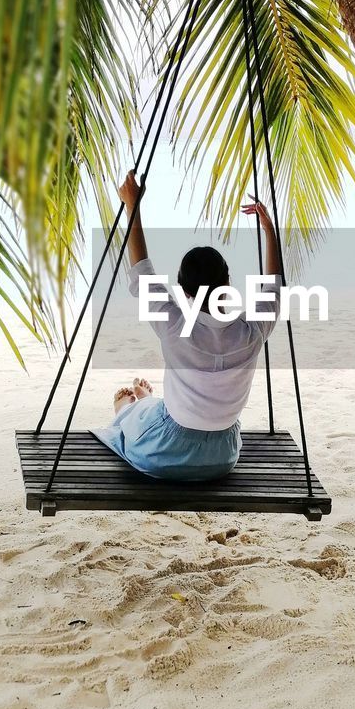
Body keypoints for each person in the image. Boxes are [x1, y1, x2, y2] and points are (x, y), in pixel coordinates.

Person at [90, 172, 280, 481]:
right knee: (159, 411)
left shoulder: (175, 324)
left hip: (167, 452)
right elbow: (274, 289)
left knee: (132, 422)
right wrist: (269, 230)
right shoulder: (252, 331)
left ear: (185, 292)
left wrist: (133, 206)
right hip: (223, 456)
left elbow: (141, 274)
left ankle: (128, 407)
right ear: (228, 282)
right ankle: (145, 402)